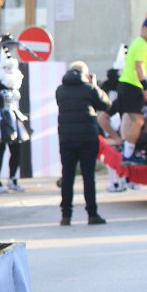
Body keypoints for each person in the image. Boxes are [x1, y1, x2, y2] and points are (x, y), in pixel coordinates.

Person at [55, 61, 111, 225]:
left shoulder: (60, 90)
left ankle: (66, 216)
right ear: (84, 74)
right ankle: (92, 214)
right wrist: (94, 85)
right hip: (87, 139)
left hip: (66, 139)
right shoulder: (89, 89)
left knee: (67, 177)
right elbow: (106, 104)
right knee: (88, 177)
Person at [118, 18, 147, 164]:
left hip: (126, 83)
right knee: (138, 120)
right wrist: (146, 88)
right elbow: (139, 67)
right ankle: (128, 154)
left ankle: (127, 150)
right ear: (144, 28)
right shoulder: (142, 44)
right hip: (132, 84)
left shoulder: (138, 43)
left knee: (130, 119)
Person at [0, 54, 31, 193]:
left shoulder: (14, 85)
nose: (9, 70)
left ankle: (13, 179)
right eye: (6, 67)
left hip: (13, 119)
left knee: (16, 151)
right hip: (0, 120)